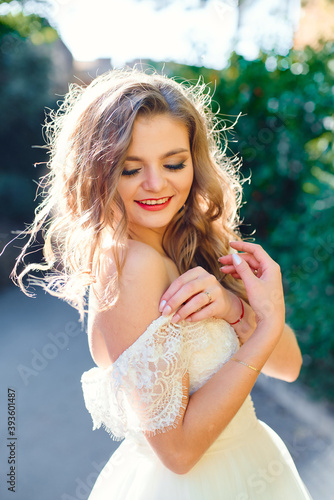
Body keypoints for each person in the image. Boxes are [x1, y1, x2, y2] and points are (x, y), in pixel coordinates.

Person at [12, 69, 312, 499]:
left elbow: (289, 366)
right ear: (97, 172)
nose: (156, 184)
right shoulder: (135, 267)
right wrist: (265, 325)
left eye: (174, 163)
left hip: (254, 464)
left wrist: (237, 309)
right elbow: (178, 452)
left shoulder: (204, 240)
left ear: (194, 159)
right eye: (131, 169)